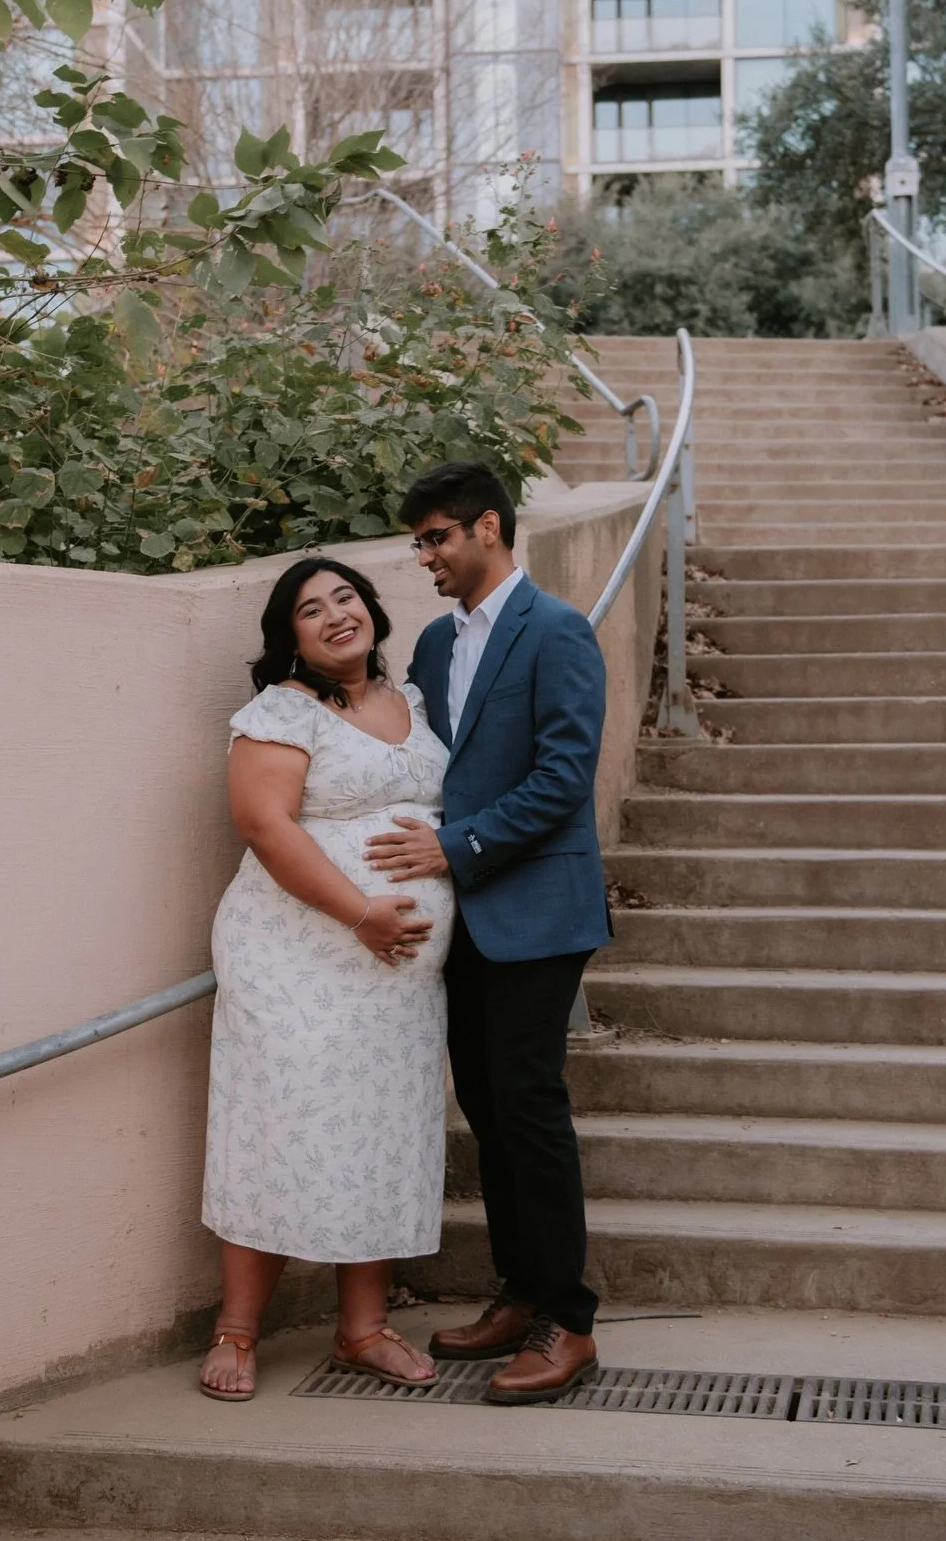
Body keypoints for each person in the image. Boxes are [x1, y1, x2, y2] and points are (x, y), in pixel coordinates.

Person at [366, 462, 610, 1406]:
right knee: (490, 1111)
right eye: (419, 540)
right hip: (458, 919)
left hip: (538, 912)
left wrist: (454, 846)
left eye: (436, 537)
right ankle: (519, 1293)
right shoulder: (432, 644)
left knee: (531, 1107)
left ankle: (569, 1321)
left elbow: (562, 777)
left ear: (489, 530)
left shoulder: (558, 631)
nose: (422, 556)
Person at [198, 558, 454, 1402]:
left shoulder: (414, 703)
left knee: (376, 1131)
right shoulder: (279, 712)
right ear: (292, 639)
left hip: (395, 980)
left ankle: (363, 1328)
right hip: (297, 959)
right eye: (311, 610)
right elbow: (263, 825)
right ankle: (237, 1330)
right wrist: (361, 913)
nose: (336, 615)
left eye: (346, 597)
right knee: (277, 1125)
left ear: (372, 609)